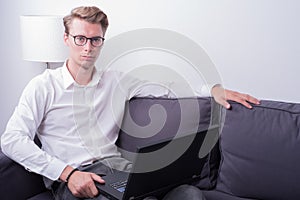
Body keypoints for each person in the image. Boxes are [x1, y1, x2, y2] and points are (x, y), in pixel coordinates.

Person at [1, 6, 260, 200]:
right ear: (67, 39)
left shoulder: (117, 81)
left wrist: (214, 89)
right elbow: (12, 140)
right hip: (74, 178)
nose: (87, 47)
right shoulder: (43, 86)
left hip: (118, 171)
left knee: (189, 194)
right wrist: (67, 173)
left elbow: (169, 89)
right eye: (80, 39)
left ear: (102, 41)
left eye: (95, 40)